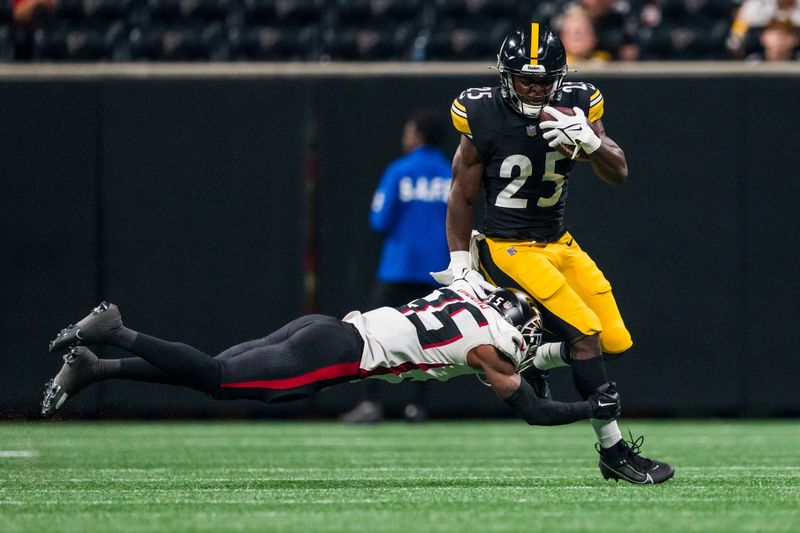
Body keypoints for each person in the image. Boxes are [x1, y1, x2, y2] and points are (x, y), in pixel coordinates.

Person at [440, 22, 674, 484]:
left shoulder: (580, 101)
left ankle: (533, 356)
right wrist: (460, 262)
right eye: (524, 79)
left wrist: (591, 141)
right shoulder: (481, 110)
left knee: (613, 342)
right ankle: (614, 451)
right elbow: (461, 194)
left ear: (560, 77)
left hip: (558, 242)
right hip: (507, 246)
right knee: (585, 336)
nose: (533, 88)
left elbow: (619, 171)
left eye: (544, 80)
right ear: (505, 75)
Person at [42, 284, 624, 440]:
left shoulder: (470, 294)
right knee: (218, 377)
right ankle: (116, 329)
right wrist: (589, 406)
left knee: (213, 373)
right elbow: (531, 409)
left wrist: (556, 361)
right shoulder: (492, 348)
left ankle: (94, 367)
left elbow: (528, 356)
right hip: (340, 353)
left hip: (330, 329)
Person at [340, 108, 452, 424]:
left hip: (399, 267)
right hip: (436, 269)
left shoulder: (400, 171)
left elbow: (380, 219)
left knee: (374, 334)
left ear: (416, 134)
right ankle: (418, 407)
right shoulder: (450, 172)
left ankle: (370, 403)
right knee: (430, 340)